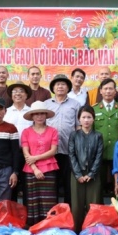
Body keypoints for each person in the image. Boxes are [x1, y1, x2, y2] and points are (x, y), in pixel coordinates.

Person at [45, 74, 81, 205]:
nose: (60, 87)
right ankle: (52, 212)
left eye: (63, 84)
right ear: (53, 88)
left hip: (68, 150)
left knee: (68, 183)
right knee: (51, 183)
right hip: (49, 151)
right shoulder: (46, 104)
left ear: (68, 88)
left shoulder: (75, 104)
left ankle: (69, 212)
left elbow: (78, 126)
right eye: (57, 84)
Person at [21, 101, 59, 225]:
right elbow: (26, 152)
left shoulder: (53, 131)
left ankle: (49, 226)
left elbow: (53, 151)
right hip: (31, 170)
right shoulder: (26, 132)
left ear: (46, 116)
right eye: (36, 114)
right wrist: (35, 169)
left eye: (42, 113)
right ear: (32, 116)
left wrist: (35, 158)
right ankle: (34, 227)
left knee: (49, 200)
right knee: (33, 201)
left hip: (49, 169)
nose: (39, 116)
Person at [68, 106, 104, 233]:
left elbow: (99, 156)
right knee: (77, 206)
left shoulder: (98, 136)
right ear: (79, 119)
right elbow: (71, 155)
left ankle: (92, 234)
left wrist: (92, 173)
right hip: (77, 174)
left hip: (93, 175)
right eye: (83, 117)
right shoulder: (74, 135)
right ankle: (77, 233)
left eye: (89, 117)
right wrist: (78, 174)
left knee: (93, 205)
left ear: (93, 119)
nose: (86, 120)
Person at [93, 78, 118, 195]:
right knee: (99, 186)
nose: (108, 91)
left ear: (115, 91)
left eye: (110, 89)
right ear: (101, 91)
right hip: (100, 153)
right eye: (105, 89)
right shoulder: (94, 109)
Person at [4, 81, 33, 203]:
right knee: (12, 185)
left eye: (21, 91)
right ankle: (13, 216)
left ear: (26, 95)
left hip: (29, 154)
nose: (18, 94)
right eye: (15, 91)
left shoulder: (32, 112)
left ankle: (28, 216)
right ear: (11, 95)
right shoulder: (6, 112)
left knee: (28, 186)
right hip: (10, 154)